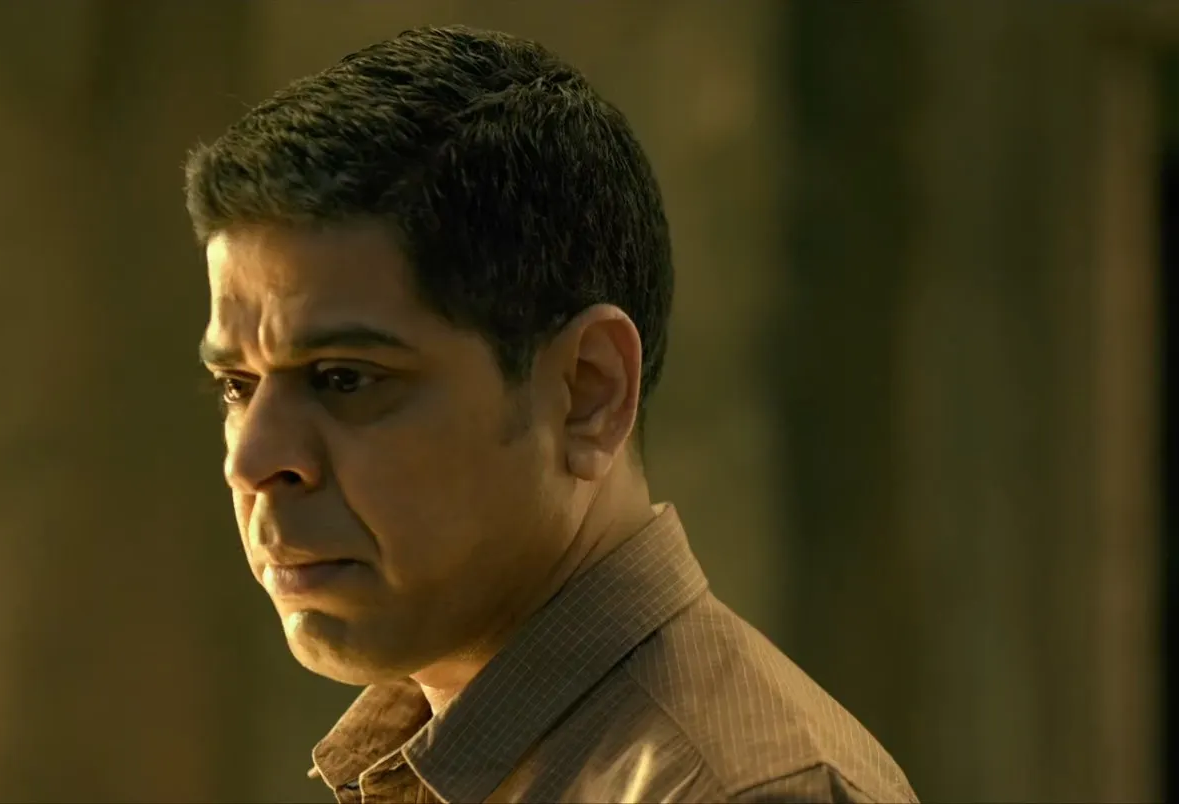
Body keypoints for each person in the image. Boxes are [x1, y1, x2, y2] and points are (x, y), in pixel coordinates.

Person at [186, 24, 915, 804]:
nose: (251, 460)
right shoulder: (448, 749)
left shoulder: (743, 792)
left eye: (345, 378)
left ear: (587, 392)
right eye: (236, 386)